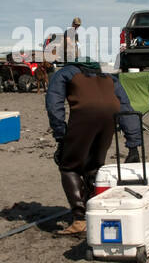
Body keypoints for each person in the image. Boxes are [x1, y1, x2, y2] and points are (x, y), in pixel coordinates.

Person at [45, 61, 142, 236]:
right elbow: (126, 107)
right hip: (110, 115)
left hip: (84, 113)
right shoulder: (107, 74)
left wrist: (61, 137)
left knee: (69, 167)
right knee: (94, 166)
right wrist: (133, 145)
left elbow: (54, 104)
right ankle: (95, 213)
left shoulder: (65, 73)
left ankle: (80, 220)